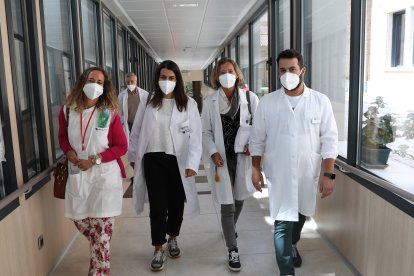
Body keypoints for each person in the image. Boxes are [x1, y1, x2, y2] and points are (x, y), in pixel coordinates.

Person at [249, 49, 338, 276]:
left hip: (307, 173)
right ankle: (286, 271)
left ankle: (293, 243)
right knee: (281, 224)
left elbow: (329, 141)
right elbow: (257, 140)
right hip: (279, 174)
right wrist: (255, 169)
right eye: (282, 70)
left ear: (302, 71)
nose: (287, 74)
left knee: (300, 216)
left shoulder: (320, 101)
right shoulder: (268, 103)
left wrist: (328, 175)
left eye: (292, 69)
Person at [128, 60, 202, 271]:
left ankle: (173, 238)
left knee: (177, 204)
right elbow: (137, 131)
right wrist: (134, 156)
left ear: (177, 80)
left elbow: (196, 137)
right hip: (153, 159)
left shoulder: (189, 103)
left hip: (178, 160)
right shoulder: (149, 101)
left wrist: (193, 163)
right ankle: (158, 248)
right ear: (157, 79)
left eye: (171, 78)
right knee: (158, 207)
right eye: (163, 77)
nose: (166, 81)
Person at [58, 67, 128, 275]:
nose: (95, 85)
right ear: (83, 81)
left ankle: (98, 270)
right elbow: (62, 137)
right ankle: (102, 248)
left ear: (104, 87)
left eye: (100, 82)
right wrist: (69, 152)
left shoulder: (107, 113)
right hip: (78, 175)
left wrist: (94, 160)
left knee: (101, 229)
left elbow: (121, 147)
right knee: (80, 220)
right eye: (91, 79)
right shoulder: (68, 110)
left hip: (104, 178)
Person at [201, 57, 259, 272]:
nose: (227, 74)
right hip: (222, 159)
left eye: (230, 70)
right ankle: (232, 249)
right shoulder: (210, 102)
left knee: (240, 198)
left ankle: (229, 228)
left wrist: (252, 145)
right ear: (217, 76)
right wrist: (213, 152)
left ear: (237, 73)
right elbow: (205, 132)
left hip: (242, 158)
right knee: (228, 204)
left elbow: (260, 129)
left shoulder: (250, 98)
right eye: (222, 71)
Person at [118, 72, 149, 140]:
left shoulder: (145, 94)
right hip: (128, 124)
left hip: (141, 123)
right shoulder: (121, 95)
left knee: (141, 141)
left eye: (132, 81)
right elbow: (119, 111)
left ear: (136, 81)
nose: (130, 84)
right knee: (130, 142)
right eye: (128, 82)